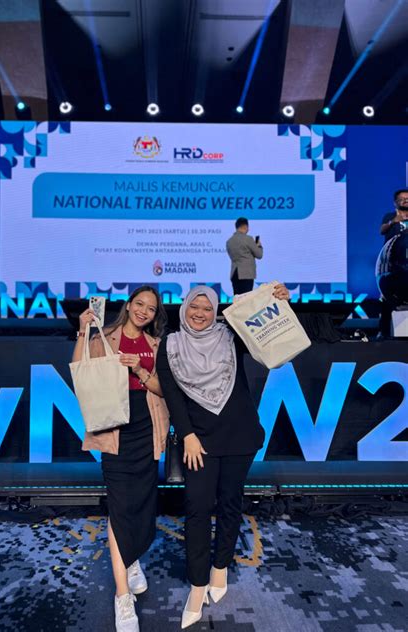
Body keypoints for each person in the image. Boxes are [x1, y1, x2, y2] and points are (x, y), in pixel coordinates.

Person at [156, 283, 289, 629]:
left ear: (215, 311)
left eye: (207, 308)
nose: (199, 314)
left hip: (239, 436)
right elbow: (172, 395)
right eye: (194, 307)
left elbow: (268, 332)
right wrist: (187, 435)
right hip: (198, 442)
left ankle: (220, 568)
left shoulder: (231, 335)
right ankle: (197, 584)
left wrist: (278, 301)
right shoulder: (170, 345)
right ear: (184, 308)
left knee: (230, 504)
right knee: (197, 508)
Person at [73, 286, 169, 632]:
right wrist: (83, 331)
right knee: (119, 506)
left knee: (142, 503)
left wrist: (140, 370)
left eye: (151, 308)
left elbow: (164, 390)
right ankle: (122, 595)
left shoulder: (157, 345)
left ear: (155, 315)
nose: (144, 311)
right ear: (128, 305)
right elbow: (81, 371)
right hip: (115, 430)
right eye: (139, 304)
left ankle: (130, 559)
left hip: (147, 429)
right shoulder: (105, 335)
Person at [379, 189, 408, 336]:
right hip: (394, 266)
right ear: (395, 202)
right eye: (402, 198)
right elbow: (382, 230)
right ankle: (384, 332)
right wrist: (393, 221)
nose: (406, 200)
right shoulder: (390, 216)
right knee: (388, 300)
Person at [226, 217, 263, 295]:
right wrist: (259, 246)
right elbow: (259, 255)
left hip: (234, 274)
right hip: (246, 274)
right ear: (246, 226)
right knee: (246, 299)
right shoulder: (248, 239)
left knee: (237, 299)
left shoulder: (229, 241)